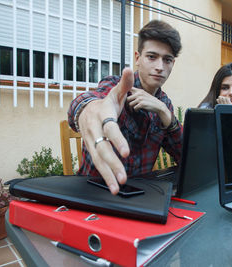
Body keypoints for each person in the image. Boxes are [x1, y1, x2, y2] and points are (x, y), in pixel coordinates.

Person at [67, 20, 183, 195]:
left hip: (139, 196)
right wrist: (88, 110)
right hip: (94, 192)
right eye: (152, 57)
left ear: (173, 64)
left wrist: (167, 115)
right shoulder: (117, 87)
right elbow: (93, 100)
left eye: (167, 60)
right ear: (138, 58)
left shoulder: (164, 104)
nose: (159, 67)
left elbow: (185, 157)